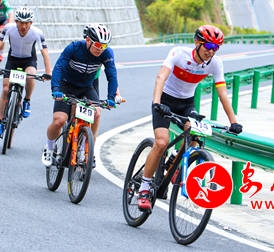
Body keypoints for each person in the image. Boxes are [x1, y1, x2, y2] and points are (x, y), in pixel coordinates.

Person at [136, 25, 243, 212]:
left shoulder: (215, 63)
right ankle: (144, 188)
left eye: (216, 47)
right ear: (197, 42)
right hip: (165, 100)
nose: (211, 51)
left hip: (186, 104)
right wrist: (157, 103)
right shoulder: (179, 54)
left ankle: (174, 163)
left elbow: (223, 94)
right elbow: (161, 77)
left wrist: (233, 122)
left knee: (195, 135)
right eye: (208, 45)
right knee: (161, 143)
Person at [42, 23, 119, 167]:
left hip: (86, 88)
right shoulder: (74, 48)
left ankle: (86, 150)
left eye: (104, 45)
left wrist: (111, 97)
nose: (100, 49)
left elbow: (112, 75)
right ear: (88, 40)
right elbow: (59, 67)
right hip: (66, 85)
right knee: (59, 120)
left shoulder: (106, 53)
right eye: (98, 44)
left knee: (96, 113)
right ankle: (49, 147)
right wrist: (56, 89)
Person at [0, 7, 52, 138]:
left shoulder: (37, 32)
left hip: (29, 60)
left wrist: (48, 72)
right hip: (13, 60)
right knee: (6, 89)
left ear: (31, 23)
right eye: (21, 22)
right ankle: (0, 123)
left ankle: (27, 100)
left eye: (27, 23)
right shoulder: (8, 28)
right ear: (16, 21)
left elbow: (45, 53)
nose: (23, 26)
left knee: (30, 77)